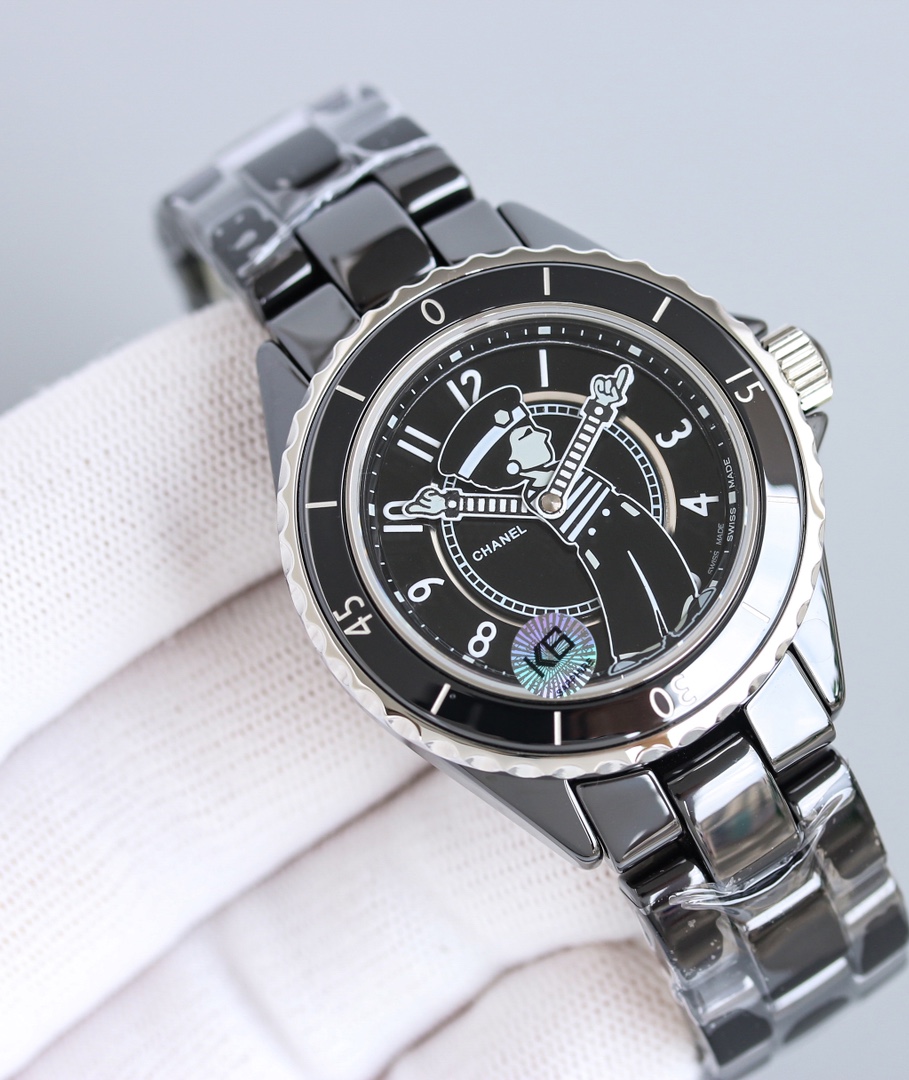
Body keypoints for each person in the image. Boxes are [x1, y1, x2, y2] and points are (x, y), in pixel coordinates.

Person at [0, 301, 700, 1079]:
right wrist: (457, 495)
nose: (533, 432)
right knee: (643, 614)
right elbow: (517, 496)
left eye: (530, 427)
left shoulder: (543, 484)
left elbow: (533, 485)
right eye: (521, 434)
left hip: (627, 540)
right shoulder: (535, 488)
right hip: (608, 561)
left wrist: (506, 466)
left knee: (664, 598)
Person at [402, 364, 708, 674]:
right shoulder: (534, 501)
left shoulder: (562, 469)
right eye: (527, 433)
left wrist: (602, 403)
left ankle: (686, 603)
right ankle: (636, 648)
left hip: (627, 514)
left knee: (659, 555)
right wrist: (449, 503)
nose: (545, 431)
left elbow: (585, 437)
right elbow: (497, 505)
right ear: (511, 465)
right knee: (620, 590)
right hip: (597, 544)